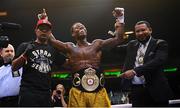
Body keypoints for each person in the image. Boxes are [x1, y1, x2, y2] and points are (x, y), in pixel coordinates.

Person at [42, 7, 125, 107]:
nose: (81, 28)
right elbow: (51, 41)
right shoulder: (69, 47)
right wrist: (45, 21)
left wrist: (120, 17)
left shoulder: (97, 44)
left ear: (86, 30)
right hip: (78, 92)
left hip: (98, 91)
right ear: (73, 33)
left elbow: (118, 39)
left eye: (82, 27)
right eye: (77, 27)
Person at [11, 10, 66, 107]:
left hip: (46, 93)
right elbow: (14, 67)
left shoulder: (53, 50)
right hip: (28, 92)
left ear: (50, 33)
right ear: (36, 30)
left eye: (47, 29)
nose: (44, 31)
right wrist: (25, 54)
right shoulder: (25, 46)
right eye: (41, 29)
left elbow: (68, 63)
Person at [115, 20, 173, 107]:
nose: (140, 33)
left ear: (150, 30)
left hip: (157, 90)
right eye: (137, 31)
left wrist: (135, 71)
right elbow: (113, 49)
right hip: (137, 92)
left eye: (143, 30)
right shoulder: (132, 45)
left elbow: (158, 61)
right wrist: (119, 29)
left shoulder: (160, 43)